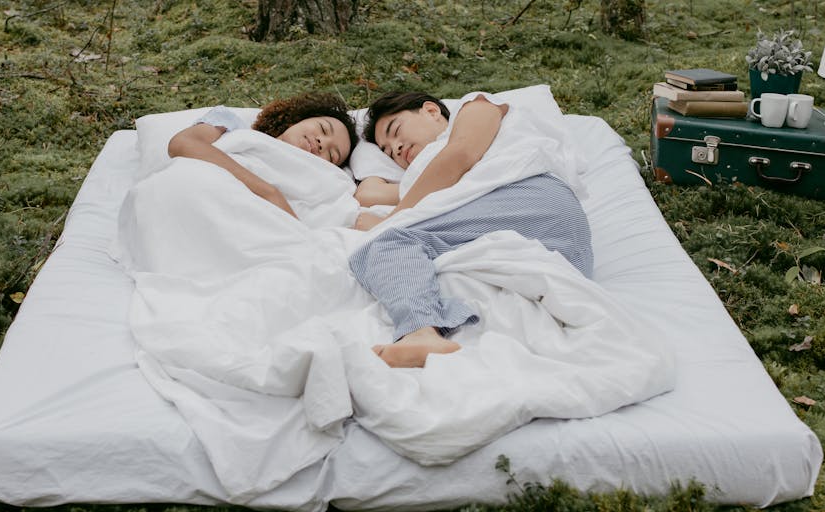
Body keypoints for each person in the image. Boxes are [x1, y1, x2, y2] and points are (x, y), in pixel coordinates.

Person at [349, 91, 593, 368]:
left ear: (431, 111)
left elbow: (460, 155)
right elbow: (367, 194)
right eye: (387, 151)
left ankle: (420, 332)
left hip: (529, 196)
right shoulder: (420, 178)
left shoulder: (477, 107)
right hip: (561, 252)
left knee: (387, 244)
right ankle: (433, 336)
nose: (396, 148)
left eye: (395, 131)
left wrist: (390, 220)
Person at [168, 92, 359, 219]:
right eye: (323, 129)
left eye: (332, 154)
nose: (322, 143)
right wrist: (268, 192)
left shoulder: (309, 185)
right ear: (299, 118)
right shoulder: (232, 126)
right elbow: (182, 145)